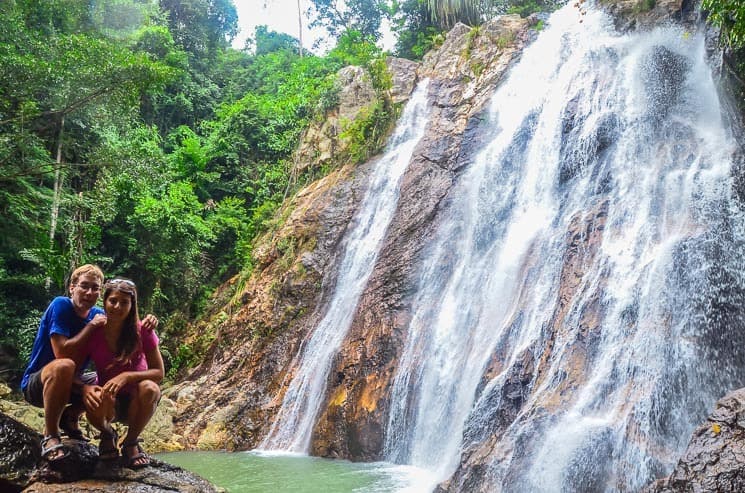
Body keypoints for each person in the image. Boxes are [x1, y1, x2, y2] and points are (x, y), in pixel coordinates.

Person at [20, 264, 107, 462]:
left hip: (71, 384)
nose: (89, 292)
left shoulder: (99, 314)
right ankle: (50, 434)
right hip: (39, 384)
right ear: (72, 287)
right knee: (64, 365)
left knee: (110, 377)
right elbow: (62, 352)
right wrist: (92, 327)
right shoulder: (61, 305)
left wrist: (147, 327)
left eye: (95, 288)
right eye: (84, 286)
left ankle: (71, 417)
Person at [82, 277, 164, 469]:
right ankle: (107, 434)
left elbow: (159, 372)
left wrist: (127, 376)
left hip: (137, 400)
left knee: (150, 388)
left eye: (124, 302)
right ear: (105, 302)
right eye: (113, 301)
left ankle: (131, 442)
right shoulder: (94, 331)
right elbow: (75, 366)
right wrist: (85, 388)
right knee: (94, 395)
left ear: (132, 305)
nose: (117, 307)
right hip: (109, 400)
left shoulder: (143, 330)